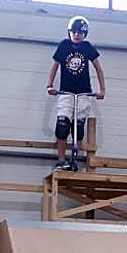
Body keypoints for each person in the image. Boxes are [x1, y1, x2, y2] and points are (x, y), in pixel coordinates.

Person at [45, 15, 107, 170]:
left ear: (85, 34)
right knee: (62, 126)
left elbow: (98, 68)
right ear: (69, 32)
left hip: (83, 93)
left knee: (78, 129)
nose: (77, 35)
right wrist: (49, 85)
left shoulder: (87, 47)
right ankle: (60, 160)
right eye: (74, 32)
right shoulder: (64, 45)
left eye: (80, 32)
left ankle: (74, 160)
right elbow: (55, 66)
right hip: (66, 93)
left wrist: (102, 89)